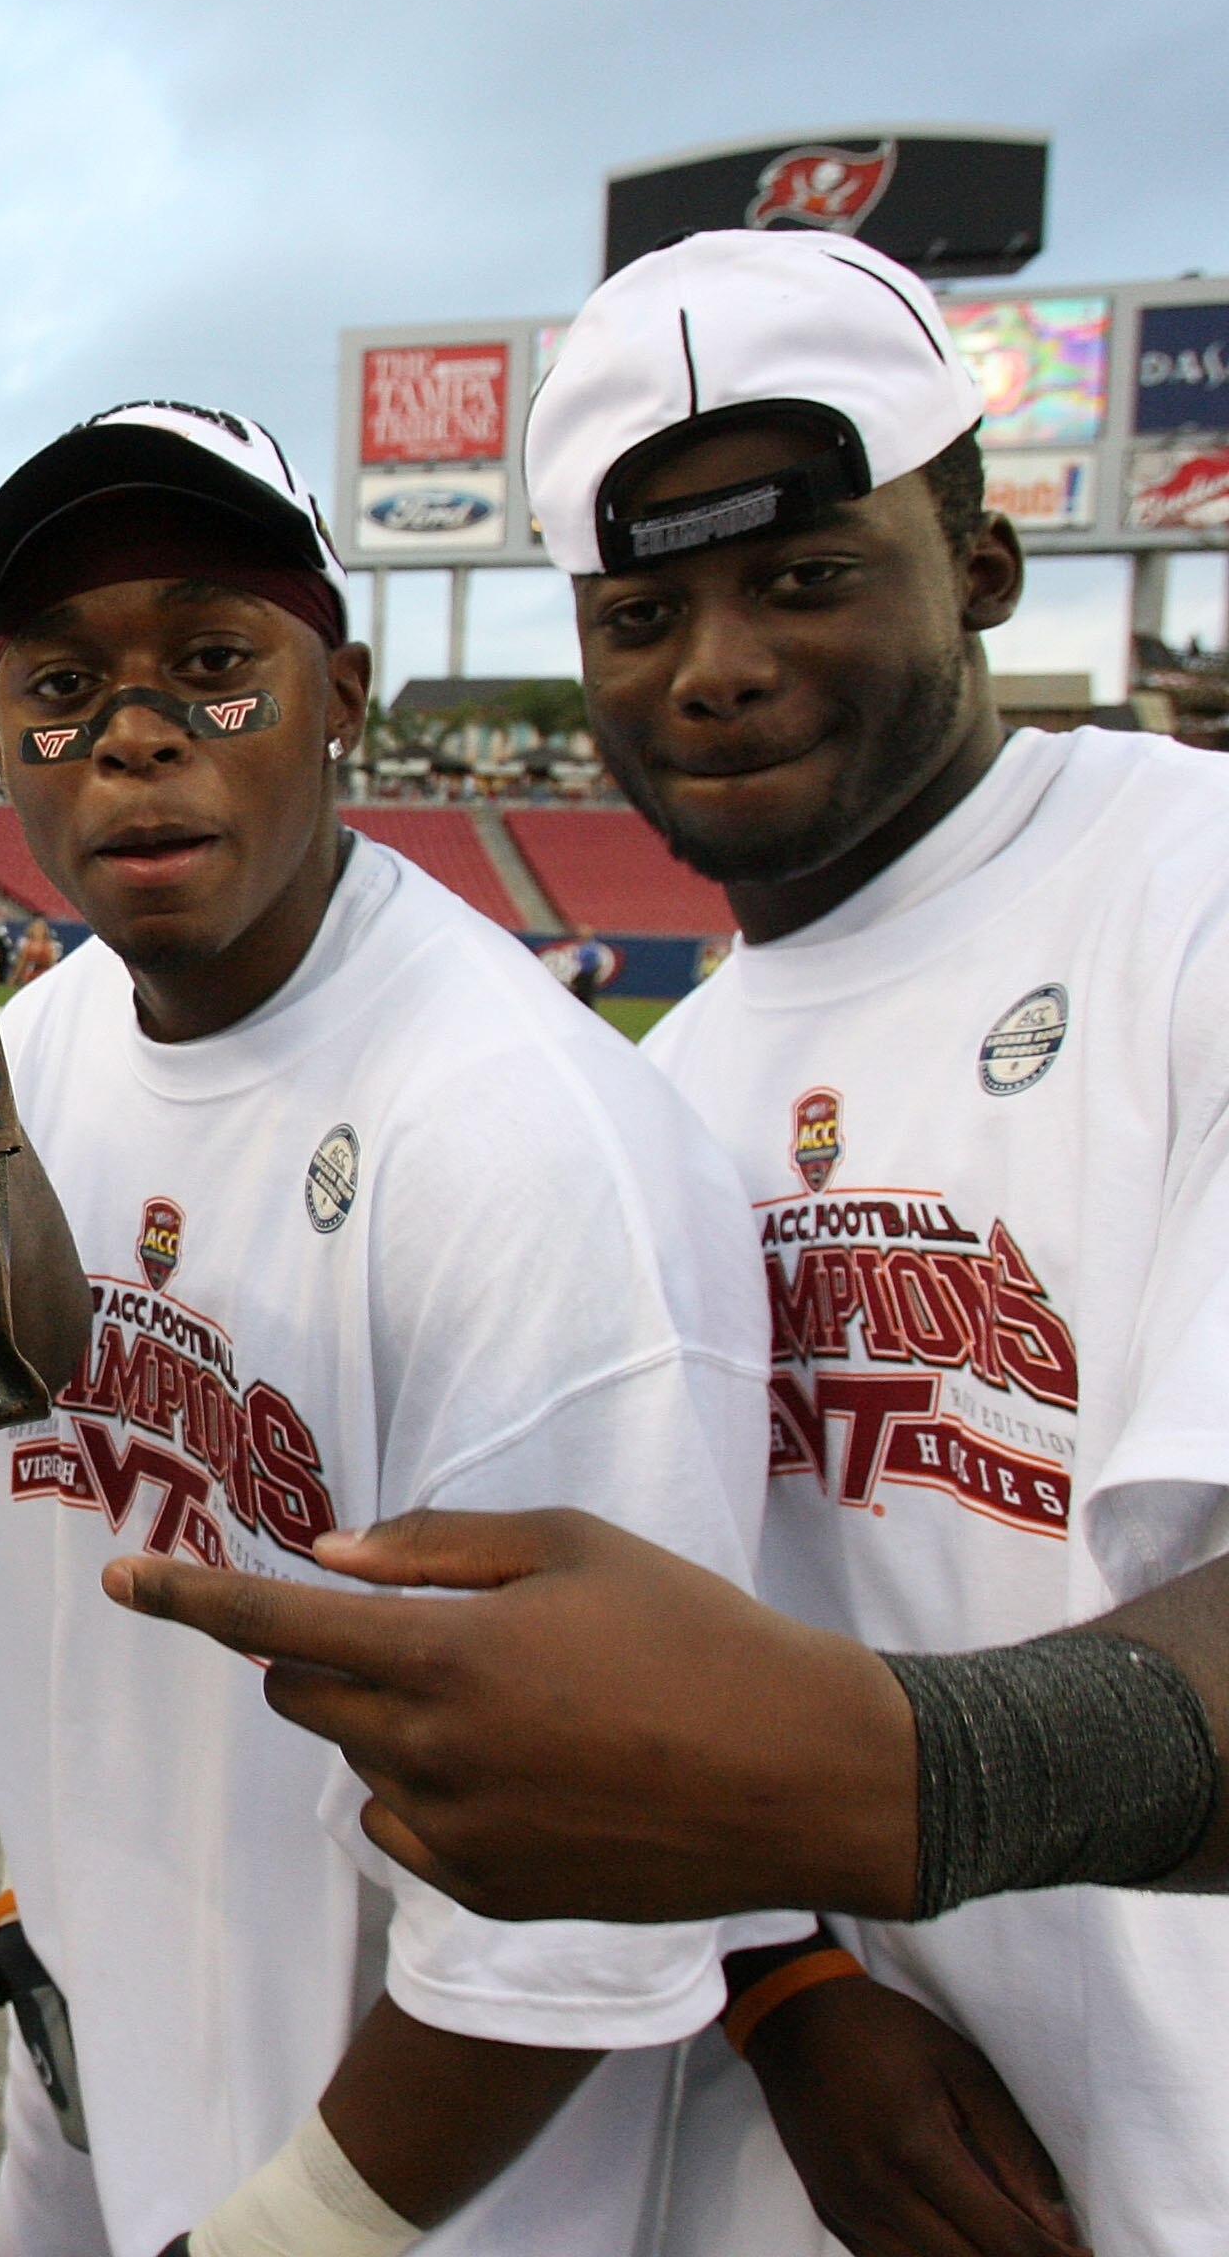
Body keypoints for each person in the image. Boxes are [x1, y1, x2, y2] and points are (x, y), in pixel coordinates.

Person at [109, 231, 1229, 2255]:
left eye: (805, 575)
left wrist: (905, 1781)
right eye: (642, 609)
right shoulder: (660, 1083)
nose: (714, 660)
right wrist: (797, 1984)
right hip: (788, 2168)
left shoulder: (1193, 899)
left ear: (979, 565)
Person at [0, 402, 775, 2257]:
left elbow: (590, 1895)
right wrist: (52, 1950)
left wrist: (283, 2231)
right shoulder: (27, 1059)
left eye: (215, 664)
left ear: (345, 697)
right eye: (62, 685)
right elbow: (41, 1585)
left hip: (410, 2196)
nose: (136, 733)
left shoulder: (525, 1145)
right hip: (103, 2075)